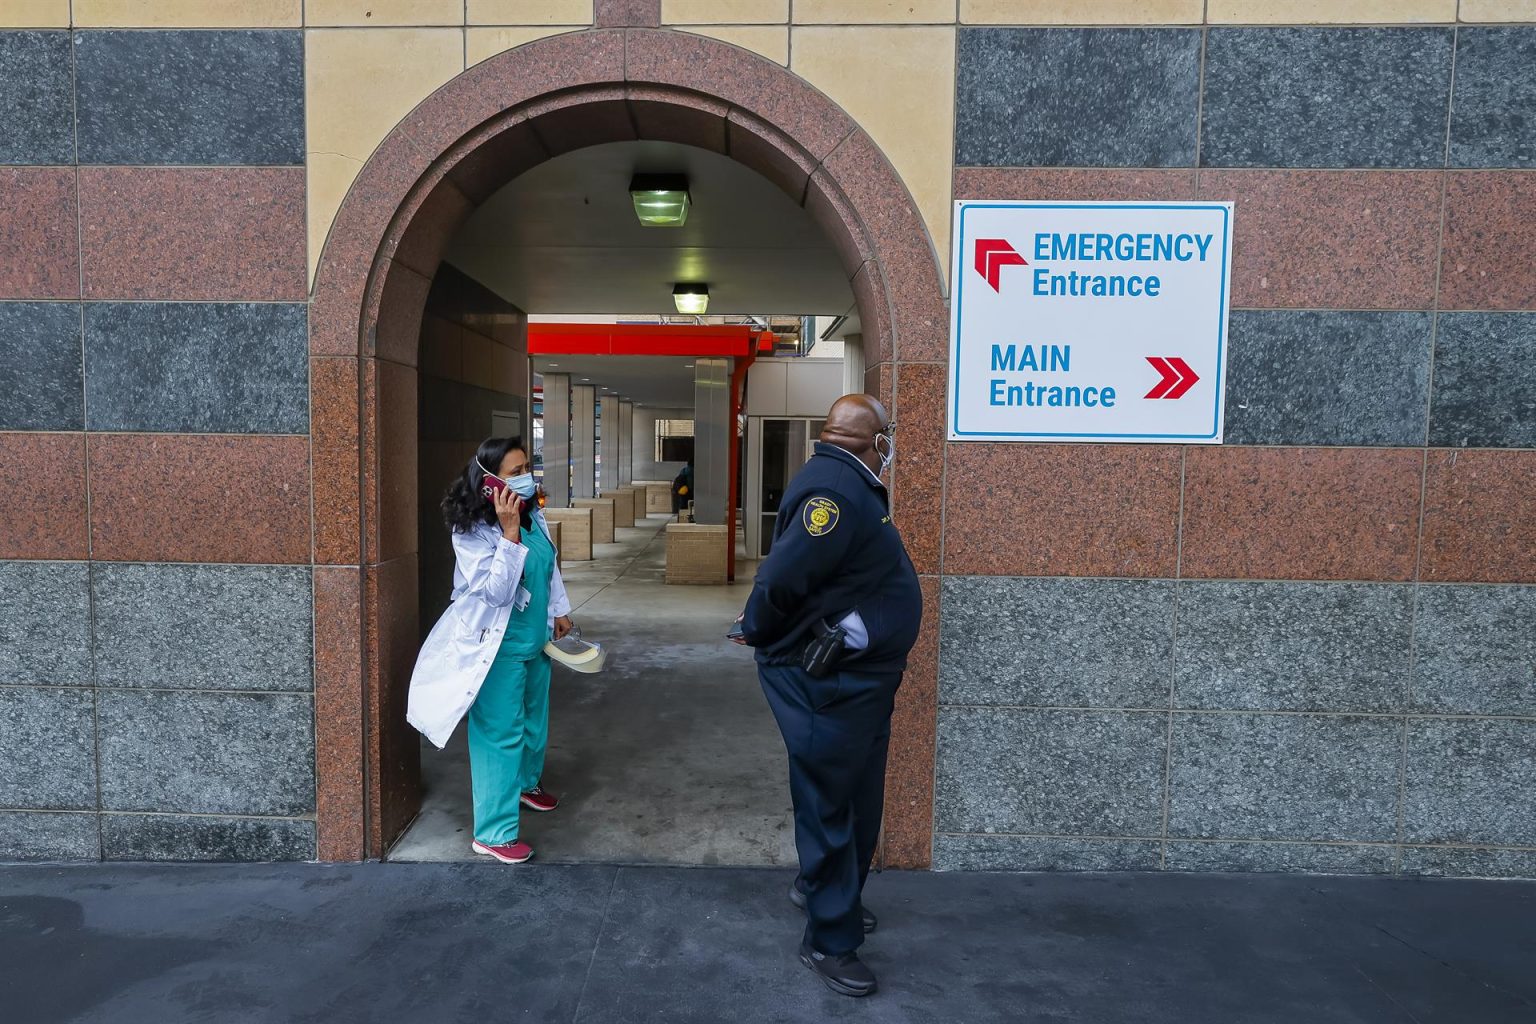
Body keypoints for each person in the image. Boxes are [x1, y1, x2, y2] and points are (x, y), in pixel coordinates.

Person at [734, 395, 922, 998]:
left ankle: (827, 894)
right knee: (830, 805)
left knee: (858, 796)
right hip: (829, 681)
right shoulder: (834, 493)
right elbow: (781, 578)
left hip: (862, 681)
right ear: (868, 440)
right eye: (885, 435)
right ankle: (829, 940)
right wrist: (757, 627)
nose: (891, 444)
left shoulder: (851, 480)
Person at [406, 436, 576, 864]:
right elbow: (497, 594)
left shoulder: (534, 515)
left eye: (526, 469)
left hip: (535, 639)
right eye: (514, 473)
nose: (525, 479)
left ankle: (526, 786)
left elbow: (548, 565)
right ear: (488, 483)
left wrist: (560, 609)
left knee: (534, 721)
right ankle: (493, 833)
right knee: (499, 735)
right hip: (494, 645)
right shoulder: (472, 532)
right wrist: (509, 534)